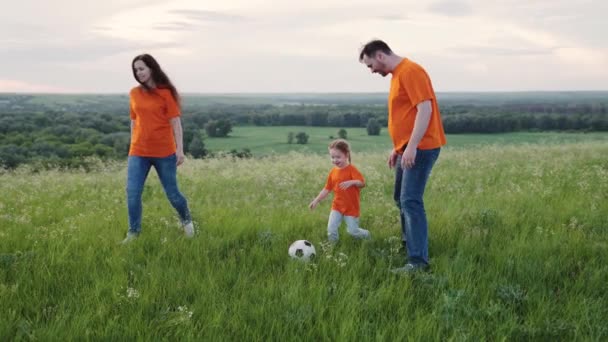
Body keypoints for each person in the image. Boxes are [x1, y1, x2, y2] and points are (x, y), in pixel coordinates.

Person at [359, 40, 446, 273]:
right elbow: (406, 115)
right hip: (408, 147)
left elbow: (424, 109)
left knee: (410, 201)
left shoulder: (411, 71)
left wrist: (412, 146)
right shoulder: (398, 74)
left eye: (370, 66)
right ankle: (410, 245)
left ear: (379, 56)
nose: (372, 71)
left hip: (422, 147)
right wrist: (398, 147)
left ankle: (418, 262)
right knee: (401, 198)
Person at [122, 53, 194, 243]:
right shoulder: (134, 93)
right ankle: (133, 233)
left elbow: (176, 123)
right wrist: (132, 144)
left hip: (164, 153)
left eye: (141, 69)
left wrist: (180, 150)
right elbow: (133, 120)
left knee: (172, 193)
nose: (138, 73)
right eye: (135, 70)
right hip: (138, 152)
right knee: (132, 191)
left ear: (151, 69)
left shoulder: (165, 93)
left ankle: (187, 221)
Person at [309, 139, 371, 243]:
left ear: (346, 155)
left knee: (353, 231)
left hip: (351, 207)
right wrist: (316, 200)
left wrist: (352, 182)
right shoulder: (333, 172)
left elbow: (362, 183)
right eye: (332, 157)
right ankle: (333, 247)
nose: (335, 160)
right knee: (331, 229)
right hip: (337, 206)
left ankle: (366, 234)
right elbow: (327, 189)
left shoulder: (352, 169)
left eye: (338, 157)